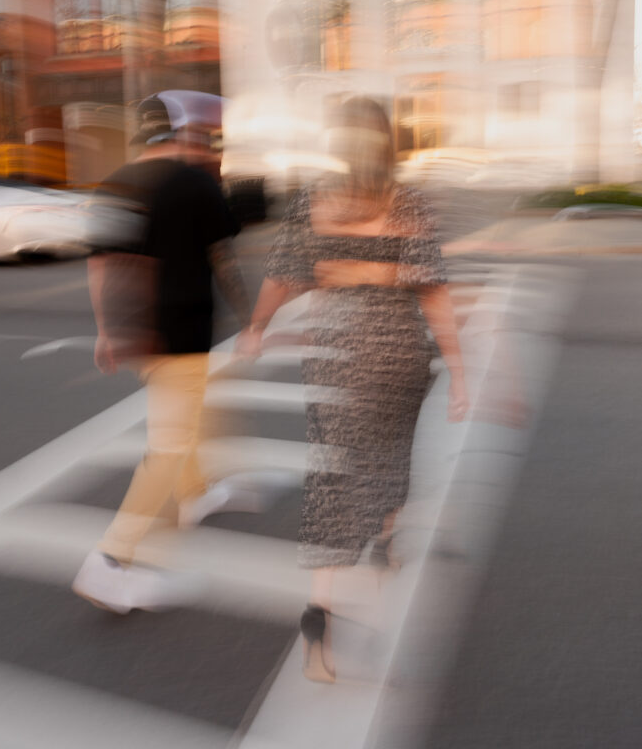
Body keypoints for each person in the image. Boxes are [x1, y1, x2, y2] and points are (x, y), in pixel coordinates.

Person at [237, 95, 469, 682]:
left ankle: (319, 610)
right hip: (398, 351)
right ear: (389, 144)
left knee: (334, 475)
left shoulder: (313, 203)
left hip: (337, 355)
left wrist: (258, 326)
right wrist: (460, 371)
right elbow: (434, 293)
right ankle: (386, 544)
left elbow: (283, 277)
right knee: (392, 452)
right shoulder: (408, 204)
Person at [73, 90, 251, 613]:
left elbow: (101, 264)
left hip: (139, 337)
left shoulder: (116, 184)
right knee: (169, 443)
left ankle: (196, 494)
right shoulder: (195, 180)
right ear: (176, 132)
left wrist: (107, 329)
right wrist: (250, 316)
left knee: (192, 410)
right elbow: (223, 256)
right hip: (183, 334)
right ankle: (109, 560)